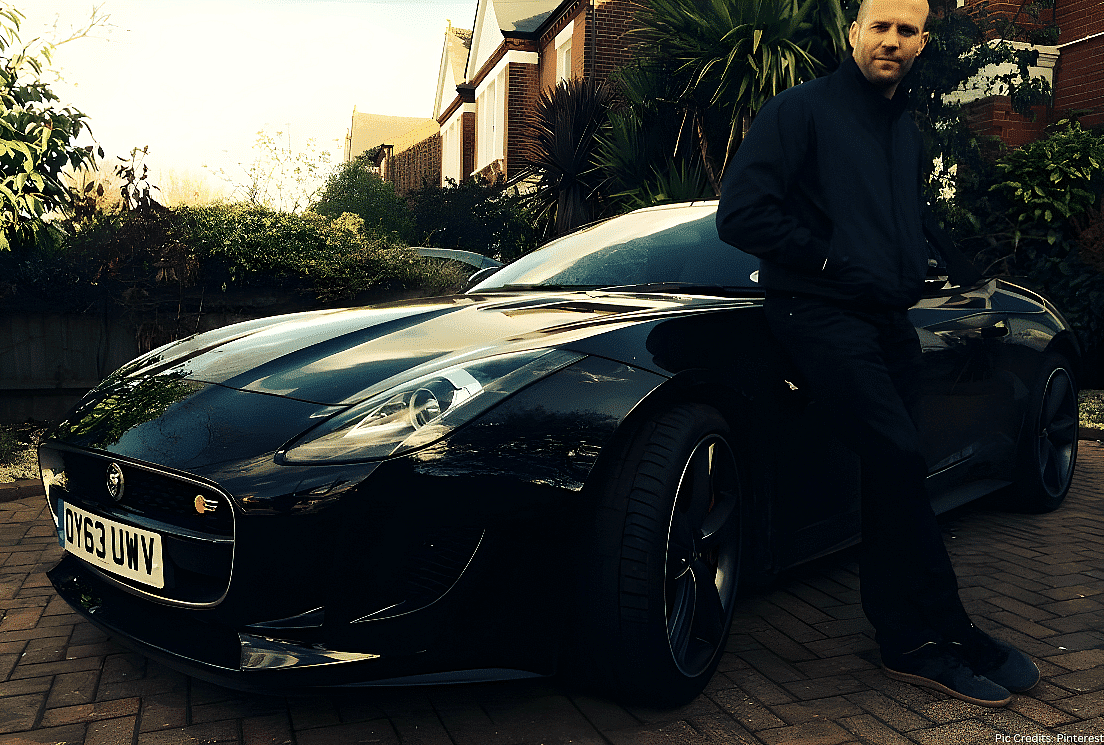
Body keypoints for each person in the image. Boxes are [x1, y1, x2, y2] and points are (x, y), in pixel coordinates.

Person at [716, 0, 1039, 707]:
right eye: (879, 26)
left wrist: (919, 264)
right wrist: (831, 264)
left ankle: (903, 639)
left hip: (888, 320)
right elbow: (739, 211)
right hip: (817, 312)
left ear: (923, 42)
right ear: (853, 32)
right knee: (895, 457)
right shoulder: (798, 111)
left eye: (906, 30)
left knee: (894, 474)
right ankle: (953, 629)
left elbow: (889, 222)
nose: (891, 40)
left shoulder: (905, 132)